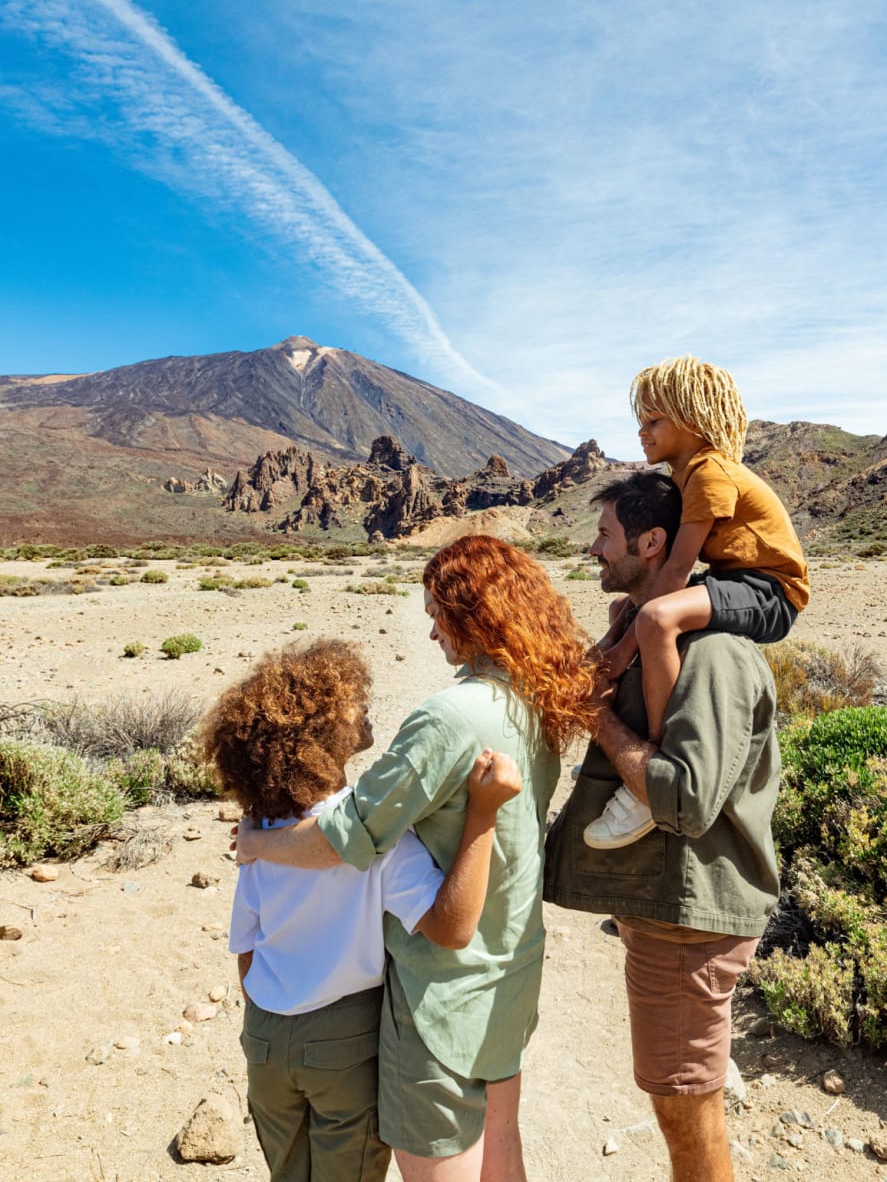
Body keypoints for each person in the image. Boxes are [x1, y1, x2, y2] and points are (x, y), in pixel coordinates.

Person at [233, 536, 596, 1182]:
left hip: (440, 995)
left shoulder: (450, 717)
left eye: (438, 615)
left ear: (471, 614)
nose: (431, 633)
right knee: (503, 1146)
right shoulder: (534, 702)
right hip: (509, 970)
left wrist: (260, 845)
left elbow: (345, 837)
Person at [201, 638, 522, 1182]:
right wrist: (483, 815)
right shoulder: (375, 837)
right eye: (349, 701)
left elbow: (247, 949)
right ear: (318, 732)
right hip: (343, 1039)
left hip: (264, 1034)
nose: (364, 704)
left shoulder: (263, 832)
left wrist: (280, 1006)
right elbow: (452, 927)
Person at [543, 471, 780, 1182]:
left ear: (652, 542)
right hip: (671, 915)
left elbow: (684, 800)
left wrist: (600, 722)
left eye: (606, 535)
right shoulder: (646, 632)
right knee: (680, 1102)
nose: (593, 549)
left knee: (687, 1113)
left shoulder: (711, 653)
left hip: (690, 921)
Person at [585, 354, 807, 848]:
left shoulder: (708, 473)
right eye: (639, 421)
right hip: (737, 578)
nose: (642, 431)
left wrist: (624, 654)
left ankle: (656, 764)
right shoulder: (686, 475)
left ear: (691, 417)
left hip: (770, 590)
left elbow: (678, 568)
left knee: (658, 619)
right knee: (629, 609)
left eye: (653, 420)